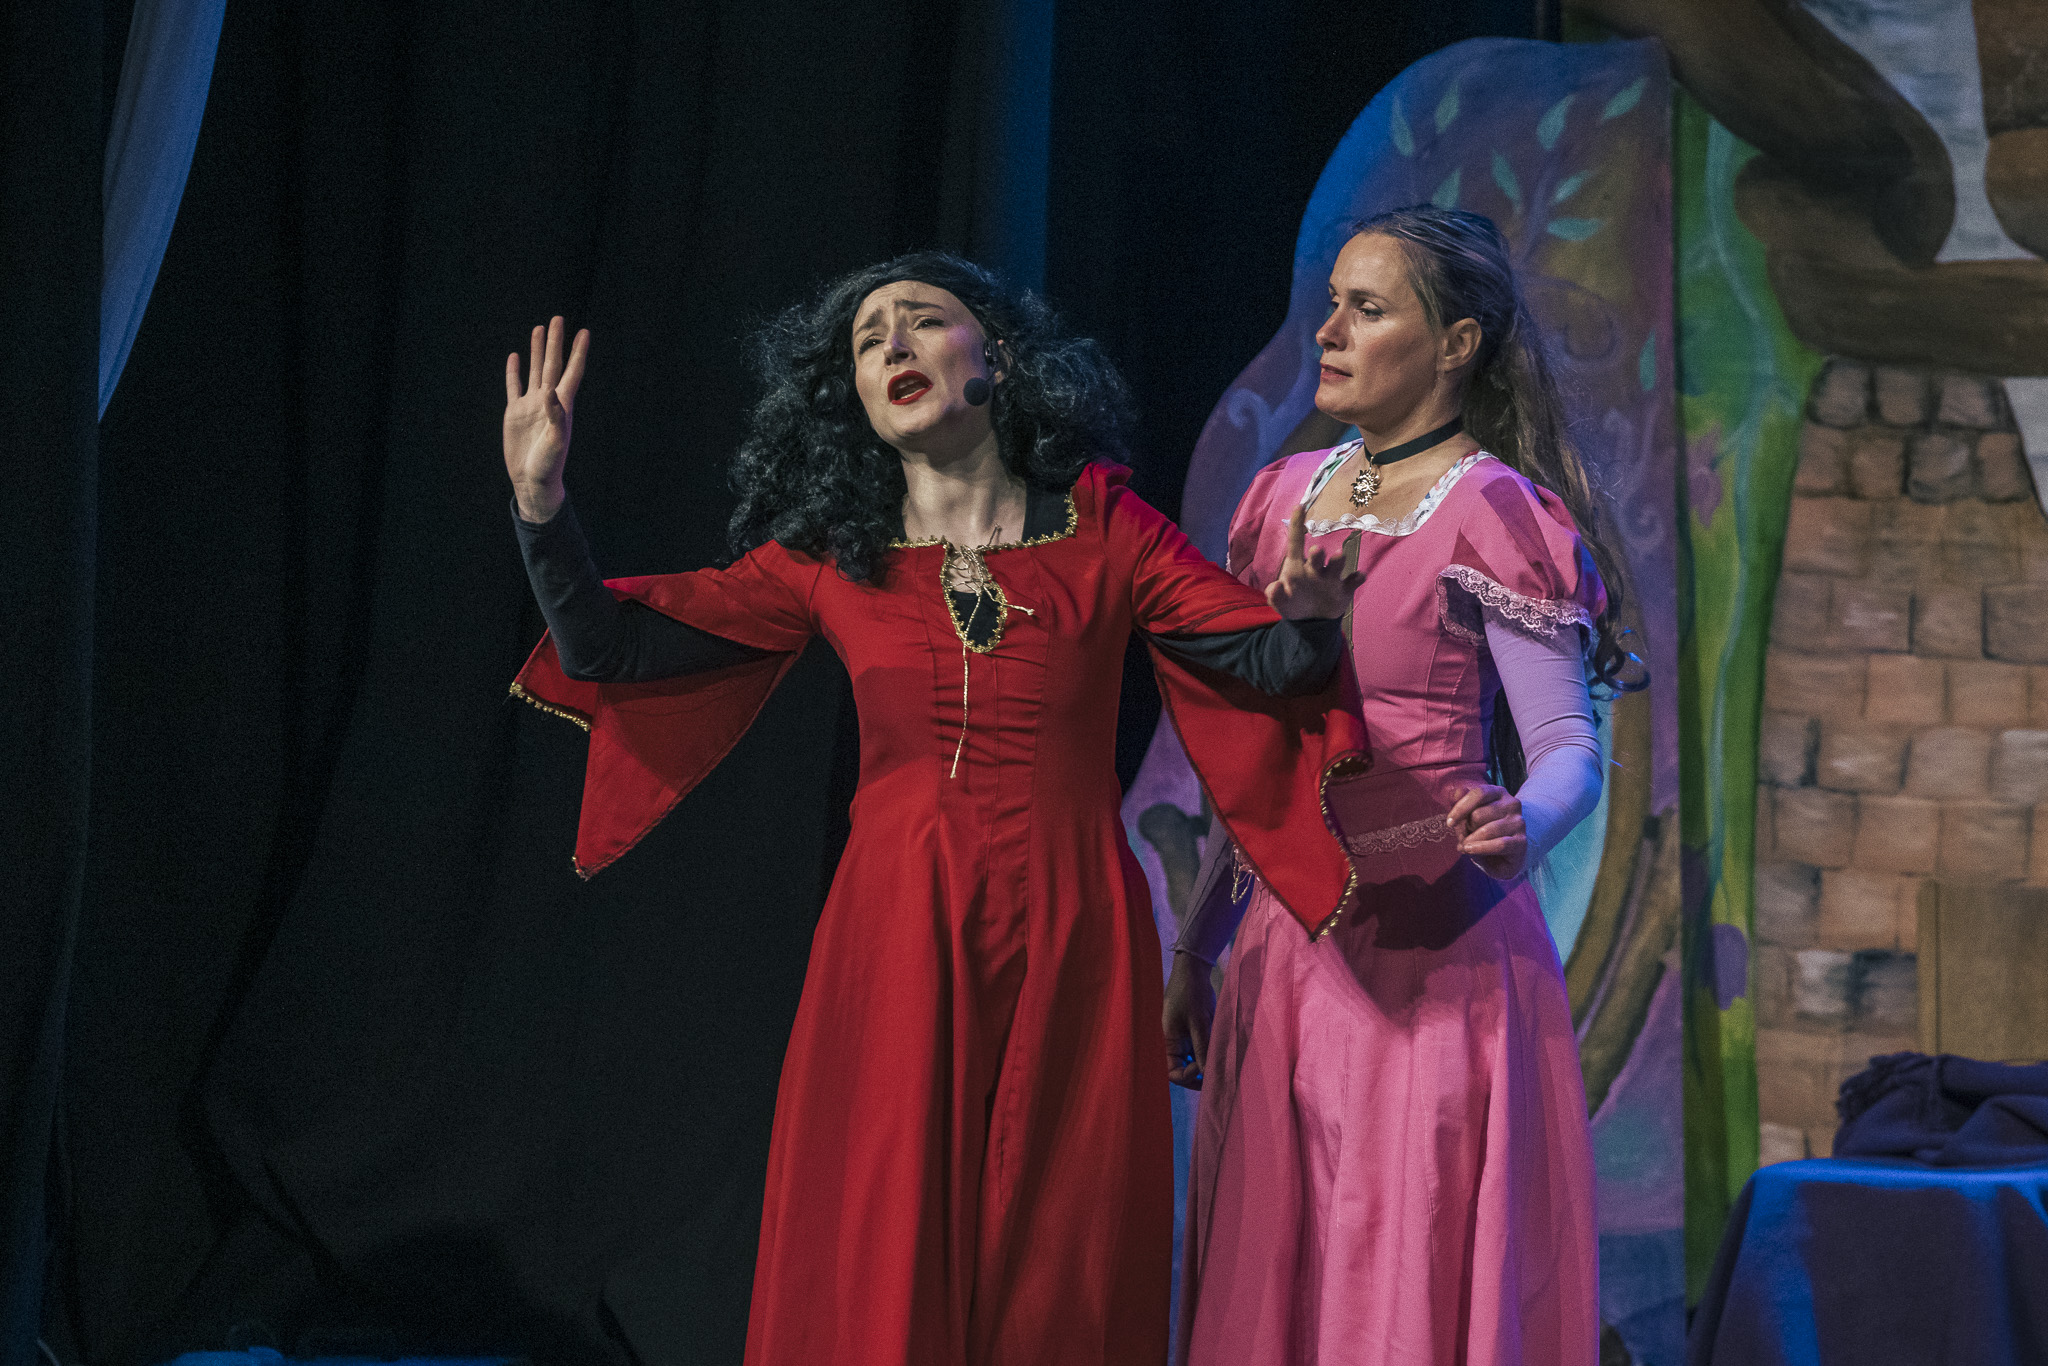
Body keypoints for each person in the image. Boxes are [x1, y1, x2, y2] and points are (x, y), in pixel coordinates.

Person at [499, 253, 1368, 1366]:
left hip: (1074, 929)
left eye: (920, 321)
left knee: (1059, 1245)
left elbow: (1268, 664)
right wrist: (541, 507)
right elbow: (609, 648)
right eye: (867, 343)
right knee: (883, 1236)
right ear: (854, 398)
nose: (892, 347)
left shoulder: (1107, 526)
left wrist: (1312, 623)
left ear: (993, 355)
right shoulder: (830, 562)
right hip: (897, 930)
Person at [1165, 206, 1635, 1365]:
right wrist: (1197, 946)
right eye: (1330, 304)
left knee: (1395, 1280)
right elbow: (1261, 768)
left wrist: (1525, 821)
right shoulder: (1276, 501)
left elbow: (1567, 747)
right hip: (1285, 950)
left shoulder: (1493, 511)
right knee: (1280, 1288)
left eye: (1365, 310)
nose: (1327, 332)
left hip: (1434, 947)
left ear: (1454, 344)